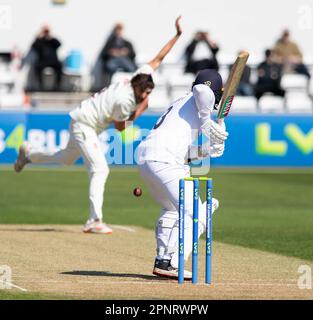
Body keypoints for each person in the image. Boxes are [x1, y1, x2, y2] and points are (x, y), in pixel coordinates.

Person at [14, 17, 183, 235]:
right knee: (100, 168)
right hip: (85, 124)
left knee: (65, 159)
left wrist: (176, 36)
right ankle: (94, 220)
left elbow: (159, 58)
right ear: (138, 90)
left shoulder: (138, 76)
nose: (147, 95)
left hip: (84, 120)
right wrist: (141, 109)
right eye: (146, 93)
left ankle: (29, 154)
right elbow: (121, 128)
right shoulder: (126, 101)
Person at [137, 69, 228, 279]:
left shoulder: (185, 104)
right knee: (194, 213)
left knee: (171, 208)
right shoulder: (198, 97)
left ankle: (163, 260)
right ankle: (173, 262)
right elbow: (201, 89)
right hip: (163, 160)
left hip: (148, 157)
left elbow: (185, 155)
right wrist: (207, 121)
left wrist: (207, 151)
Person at [31, 25, 63, 91]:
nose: (46, 33)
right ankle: (40, 86)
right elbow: (34, 46)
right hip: (43, 61)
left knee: (60, 66)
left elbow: (59, 44)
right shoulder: (40, 41)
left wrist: (51, 36)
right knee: (37, 67)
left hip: (53, 61)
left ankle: (57, 86)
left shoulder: (52, 41)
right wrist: (38, 36)